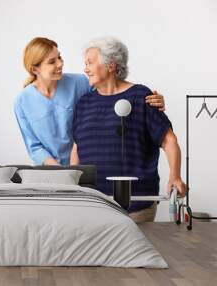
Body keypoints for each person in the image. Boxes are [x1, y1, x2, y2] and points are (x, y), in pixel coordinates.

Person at [70, 37, 187, 222]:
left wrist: (176, 176)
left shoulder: (141, 96)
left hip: (136, 204)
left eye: (90, 63)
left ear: (111, 65)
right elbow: (77, 148)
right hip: (92, 205)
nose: (85, 69)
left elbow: (169, 140)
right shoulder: (84, 103)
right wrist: (72, 185)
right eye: (85, 64)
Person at [14, 37, 165, 166]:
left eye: (59, 57)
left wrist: (145, 100)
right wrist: (60, 171)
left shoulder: (80, 83)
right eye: (52, 61)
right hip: (49, 172)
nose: (60, 64)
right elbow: (34, 147)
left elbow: (112, 95)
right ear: (35, 70)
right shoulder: (22, 102)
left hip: (87, 169)